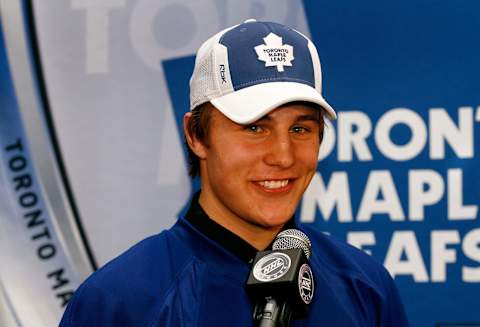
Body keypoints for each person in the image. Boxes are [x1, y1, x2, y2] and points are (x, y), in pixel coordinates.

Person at [59, 19, 409, 326]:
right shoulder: (121, 299)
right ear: (196, 136)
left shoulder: (365, 285)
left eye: (301, 129)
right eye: (255, 128)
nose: (283, 156)